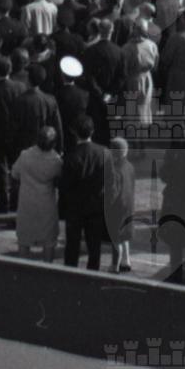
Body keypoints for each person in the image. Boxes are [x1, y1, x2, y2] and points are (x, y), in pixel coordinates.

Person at [59, 115, 110, 270]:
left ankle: (70, 272)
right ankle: (93, 273)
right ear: (92, 131)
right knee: (94, 246)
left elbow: (64, 185)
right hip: (96, 205)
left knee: (72, 245)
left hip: (75, 207)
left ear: (74, 133)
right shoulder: (104, 152)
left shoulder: (71, 155)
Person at [13, 124, 63, 261]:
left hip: (27, 204)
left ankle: (23, 269)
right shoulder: (56, 161)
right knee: (49, 242)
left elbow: (15, 173)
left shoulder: (25, 155)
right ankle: (47, 269)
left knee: (24, 240)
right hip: (47, 206)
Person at [105, 137, 135, 273]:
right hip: (128, 205)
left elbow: (113, 192)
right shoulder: (130, 166)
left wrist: (106, 204)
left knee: (115, 238)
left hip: (117, 208)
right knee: (125, 235)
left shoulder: (114, 170)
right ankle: (126, 261)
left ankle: (114, 265)